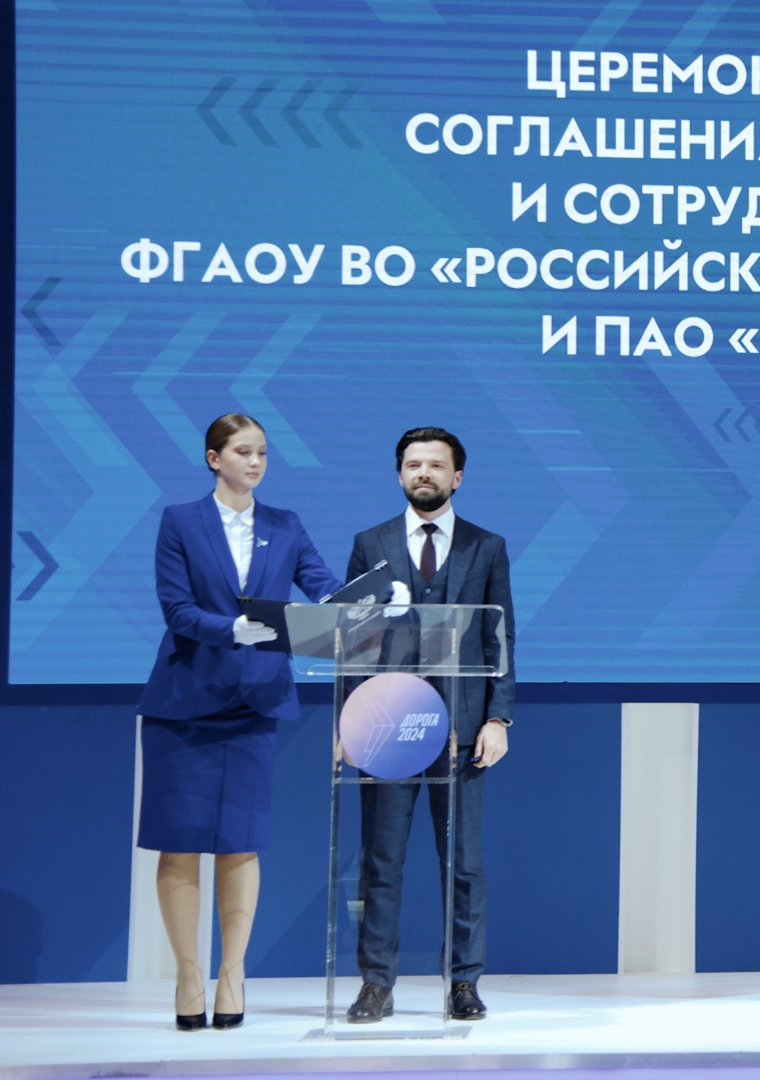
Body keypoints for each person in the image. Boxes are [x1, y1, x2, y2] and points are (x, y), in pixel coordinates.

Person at [136, 413, 343, 1030]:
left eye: (262, 453)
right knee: (180, 842)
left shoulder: (285, 524)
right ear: (214, 458)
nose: (255, 462)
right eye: (243, 452)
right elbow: (176, 609)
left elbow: (323, 587)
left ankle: (232, 973)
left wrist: (364, 603)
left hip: (254, 702)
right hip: (185, 701)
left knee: (239, 842)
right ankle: (188, 974)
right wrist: (230, 629)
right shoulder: (180, 520)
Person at [344, 427, 515, 1024]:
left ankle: (464, 982)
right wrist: (348, 722)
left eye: (436, 465)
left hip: (461, 731)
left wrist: (498, 716)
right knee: (381, 860)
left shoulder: (486, 546)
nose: (424, 473)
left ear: (456, 477)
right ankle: (375, 984)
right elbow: (353, 640)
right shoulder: (371, 543)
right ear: (399, 475)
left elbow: (500, 637)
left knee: (463, 864)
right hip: (387, 726)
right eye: (414, 464)